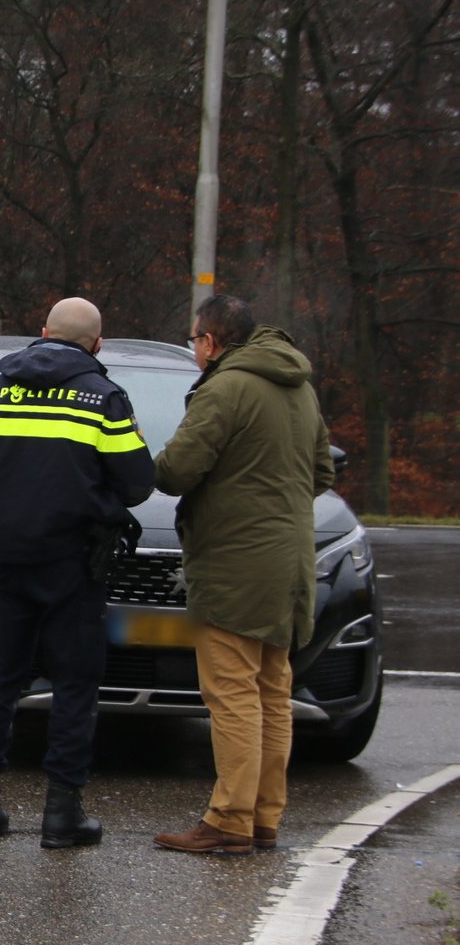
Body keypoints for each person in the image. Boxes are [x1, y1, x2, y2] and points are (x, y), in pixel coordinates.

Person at [0, 297, 155, 848]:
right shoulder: (103, 399)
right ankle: (61, 816)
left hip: (8, 562)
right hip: (75, 564)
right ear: (97, 343)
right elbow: (138, 482)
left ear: (41, 333)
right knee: (73, 686)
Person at [152, 295, 333, 856]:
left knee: (231, 696)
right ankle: (262, 818)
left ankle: (228, 818)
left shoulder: (226, 388)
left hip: (233, 564)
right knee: (272, 694)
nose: (195, 351)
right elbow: (322, 471)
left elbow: (177, 471)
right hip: (291, 564)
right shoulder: (299, 385)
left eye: (194, 341)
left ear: (209, 341)